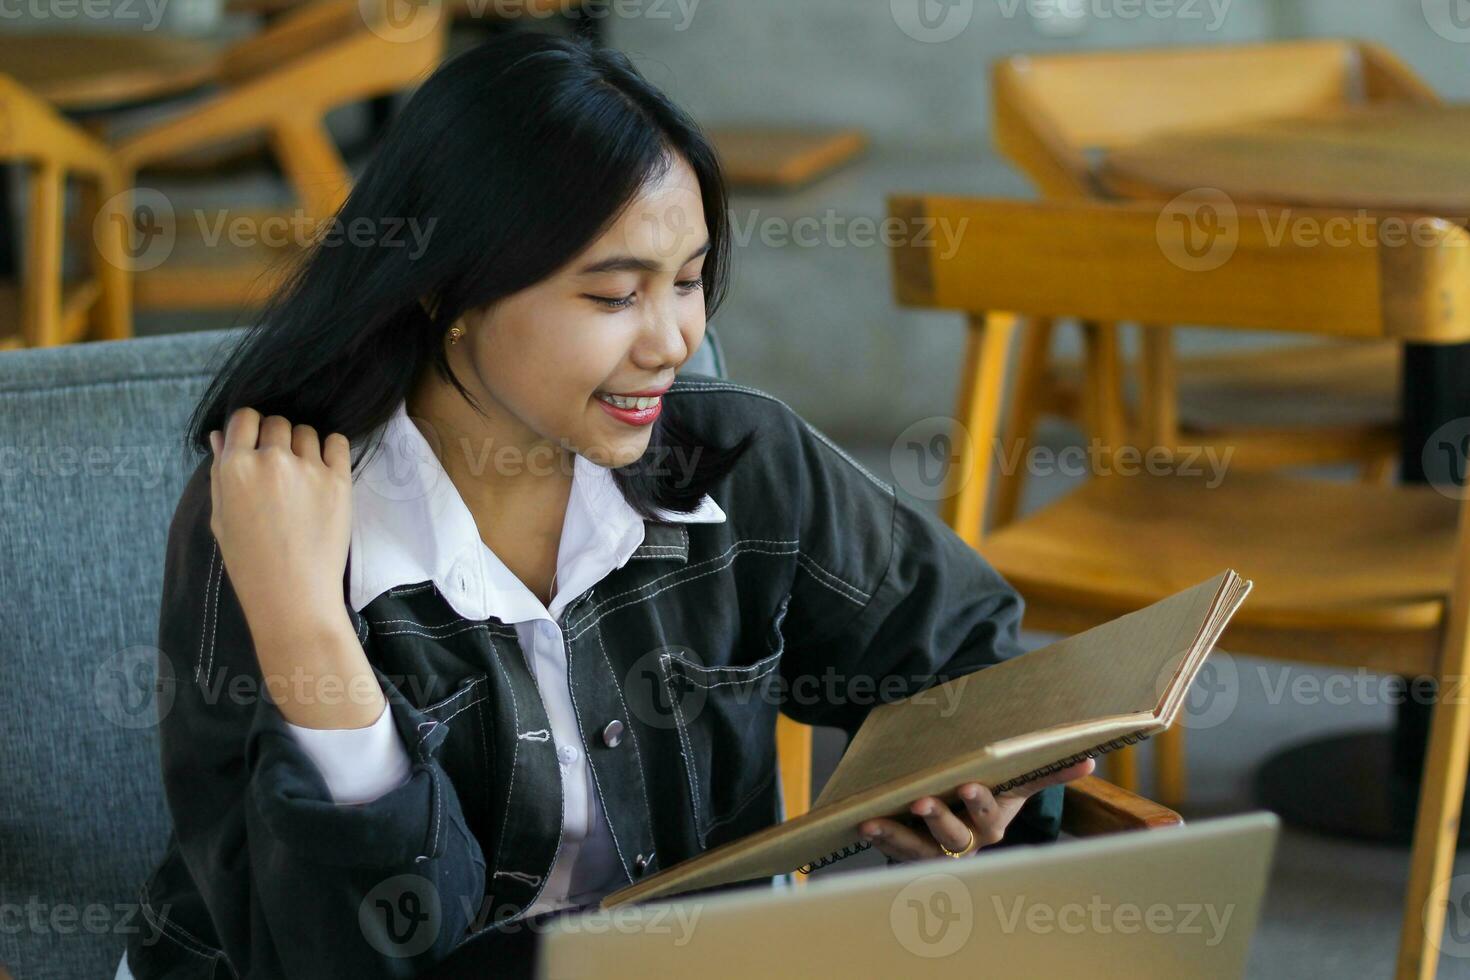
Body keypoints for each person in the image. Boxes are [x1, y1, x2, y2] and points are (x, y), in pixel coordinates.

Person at [119, 31, 1090, 980]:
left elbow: (969, 654)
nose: (672, 339)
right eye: (615, 295)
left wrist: (968, 784)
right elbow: (344, 949)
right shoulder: (271, 516)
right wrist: (308, 639)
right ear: (445, 290)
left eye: (690, 280)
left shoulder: (737, 456)